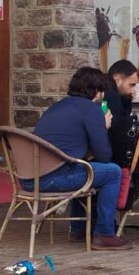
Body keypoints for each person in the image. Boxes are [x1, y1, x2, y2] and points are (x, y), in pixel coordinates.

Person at [31, 67, 131, 250]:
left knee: (83, 168)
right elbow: (104, 156)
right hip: (54, 179)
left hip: (29, 178)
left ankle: (78, 229)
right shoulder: (91, 110)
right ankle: (104, 234)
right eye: (102, 91)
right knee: (113, 172)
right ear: (97, 92)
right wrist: (104, 126)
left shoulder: (57, 106)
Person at [103, 59, 139, 167]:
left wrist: (127, 100)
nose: (132, 90)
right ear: (117, 80)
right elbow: (120, 128)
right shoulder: (111, 96)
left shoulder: (106, 91)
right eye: (131, 85)